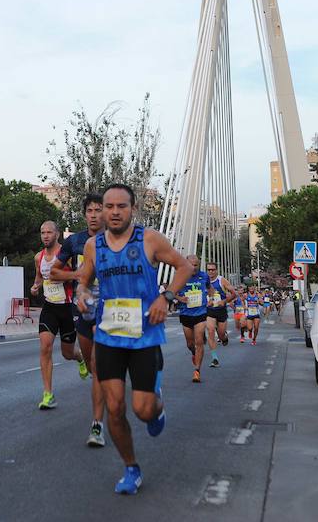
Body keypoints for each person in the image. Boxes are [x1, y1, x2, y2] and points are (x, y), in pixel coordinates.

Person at [76, 183, 194, 495]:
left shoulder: (150, 240)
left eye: (121, 206)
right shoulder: (93, 246)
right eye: (108, 206)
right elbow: (83, 280)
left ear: (133, 209)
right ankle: (131, 468)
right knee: (114, 408)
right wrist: (82, 294)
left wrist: (165, 297)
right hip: (108, 336)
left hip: (144, 336)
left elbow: (183, 266)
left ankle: (158, 407)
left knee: (142, 409)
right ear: (101, 210)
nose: (114, 212)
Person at [48, 193, 106, 446]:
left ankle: (97, 425)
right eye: (89, 211)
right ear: (85, 215)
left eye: (98, 210)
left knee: (98, 362)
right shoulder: (75, 242)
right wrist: (77, 274)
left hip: (111, 309)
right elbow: (54, 272)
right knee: (94, 368)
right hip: (83, 307)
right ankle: (105, 390)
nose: (94, 215)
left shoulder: (116, 240)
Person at [31, 220, 87, 410]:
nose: (45, 236)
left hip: (67, 308)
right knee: (45, 347)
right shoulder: (38, 257)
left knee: (67, 353)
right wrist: (35, 286)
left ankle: (80, 358)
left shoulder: (66, 254)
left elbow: (79, 275)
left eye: (49, 232)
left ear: (56, 234)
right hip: (49, 307)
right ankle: (48, 394)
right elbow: (39, 277)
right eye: (42, 232)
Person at [176, 255, 210, 383]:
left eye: (196, 265)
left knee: (199, 341)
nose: (194, 267)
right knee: (190, 344)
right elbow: (171, 291)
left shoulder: (204, 276)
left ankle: (197, 371)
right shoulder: (180, 276)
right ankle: (194, 353)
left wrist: (211, 298)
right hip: (185, 313)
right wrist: (180, 299)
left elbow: (209, 288)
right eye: (191, 265)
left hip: (200, 313)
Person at [205, 263, 238, 367]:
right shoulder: (203, 281)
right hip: (209, 311)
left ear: (216, 270)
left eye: (213, 270)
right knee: (210, 331)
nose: (211, 272)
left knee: (221, 334)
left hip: (221, 311)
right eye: (209, 270)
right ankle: (215, 358)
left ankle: (224, 338)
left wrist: (224, 301)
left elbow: (234, 294)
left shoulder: (222, 280)